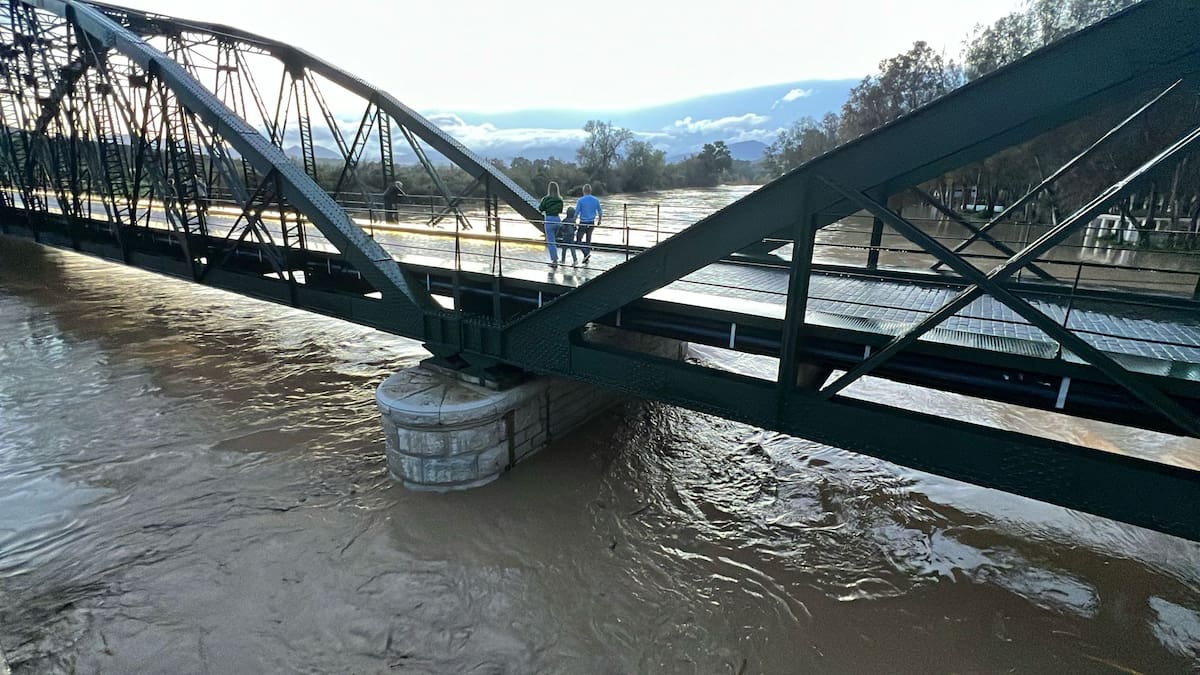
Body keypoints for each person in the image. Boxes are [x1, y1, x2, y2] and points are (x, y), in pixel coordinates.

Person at [538, 180, 564, 267]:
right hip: (557, 219)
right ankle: (562, 258)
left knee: (551, 241)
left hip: (549, 219)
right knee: (557, 240)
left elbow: (540, 208)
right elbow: (560, 211)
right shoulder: (560, 200)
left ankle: (555, 261)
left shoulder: (546, 199)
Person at [574, 183, 602, 263]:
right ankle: (586, 257)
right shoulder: (596, 200)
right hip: (591, 222)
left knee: (578, 239)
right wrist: (599, 220)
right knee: (588, 240)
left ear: (583, 191)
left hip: (583, 222)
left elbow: (577, 212)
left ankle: (585, 254)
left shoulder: (580, 200)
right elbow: (600, 211)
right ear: (590, 191)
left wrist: (574, 221)